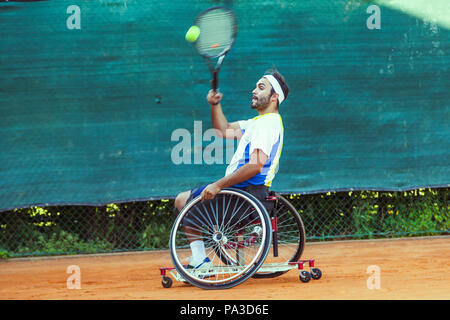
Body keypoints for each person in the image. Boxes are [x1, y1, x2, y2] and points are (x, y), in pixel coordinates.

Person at [174, 68, 289, 269]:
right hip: (246, 194)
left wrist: (218, 185)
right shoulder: (259, 123)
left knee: (182, 200)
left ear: (274, 97)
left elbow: (255, 166)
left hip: (244, 196)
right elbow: (223, 129)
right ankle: (200, 259)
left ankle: (200, 261)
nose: (254, 90)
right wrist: (215, 104)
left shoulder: (267, 124)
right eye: (255, 86)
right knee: (188, 199)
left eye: (261, 87)